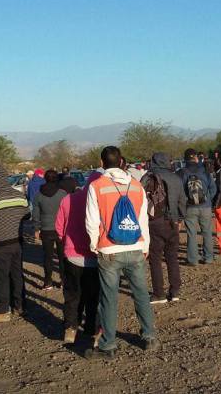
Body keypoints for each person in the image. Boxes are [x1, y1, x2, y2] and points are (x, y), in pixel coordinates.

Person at [84, 146, 159, 360]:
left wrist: (94, 245)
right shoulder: (136, 186)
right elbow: (143, 219)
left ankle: (108, 346)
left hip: (108, 250)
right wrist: (145, 246)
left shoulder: (96, 186)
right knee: (141, 294)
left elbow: (91, 220)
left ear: (102, 162)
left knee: (109, 298)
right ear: (121, 162)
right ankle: (149, 337)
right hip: (136, 247)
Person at [55, 172, 101, 344]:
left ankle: (70, 328)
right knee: (92, 295)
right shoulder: (100, 201)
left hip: (72, 256)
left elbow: (59, 228)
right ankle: (90, 327)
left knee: (72, 294)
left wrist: (66, 241)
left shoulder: (68, 199)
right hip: (94, 257)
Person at [0, 166, 29, 323]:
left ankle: (3, 310)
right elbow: (27, 215)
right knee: (17, 275)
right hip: (17, 242)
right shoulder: (19, 195)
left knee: (2, 278)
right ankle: (20, 306)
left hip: (1, 244)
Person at [142, 152, 186, 304]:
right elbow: (182, 200)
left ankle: (159, 294)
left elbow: (140, 199)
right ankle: (175, 291)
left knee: (155, 258)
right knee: (172, 256)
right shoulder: (176, 178)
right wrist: (180, 219)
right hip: (173, 222)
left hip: (154, 222)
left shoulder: (148, 177)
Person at [177, 148, 217, 265]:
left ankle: (193, 259)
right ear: (196, 157)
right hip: (205, 206)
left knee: (191, 233)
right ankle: (208, 257)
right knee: (207, 232)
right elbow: (213, 188)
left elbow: (179, 191)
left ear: (185, 159)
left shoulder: (181, 172)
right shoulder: (204, 171)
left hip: (189, 207)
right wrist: (207, 199)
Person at [32, 170, 68, 290]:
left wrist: (36, 229)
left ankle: (48, 282)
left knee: (48, 257)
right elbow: (67, 211)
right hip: (61, 228)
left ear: (45, 179)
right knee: (62, 256)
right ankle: (63, 280)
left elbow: (35, 214)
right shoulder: (63, 193)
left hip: (46, 229)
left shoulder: (38, 195)